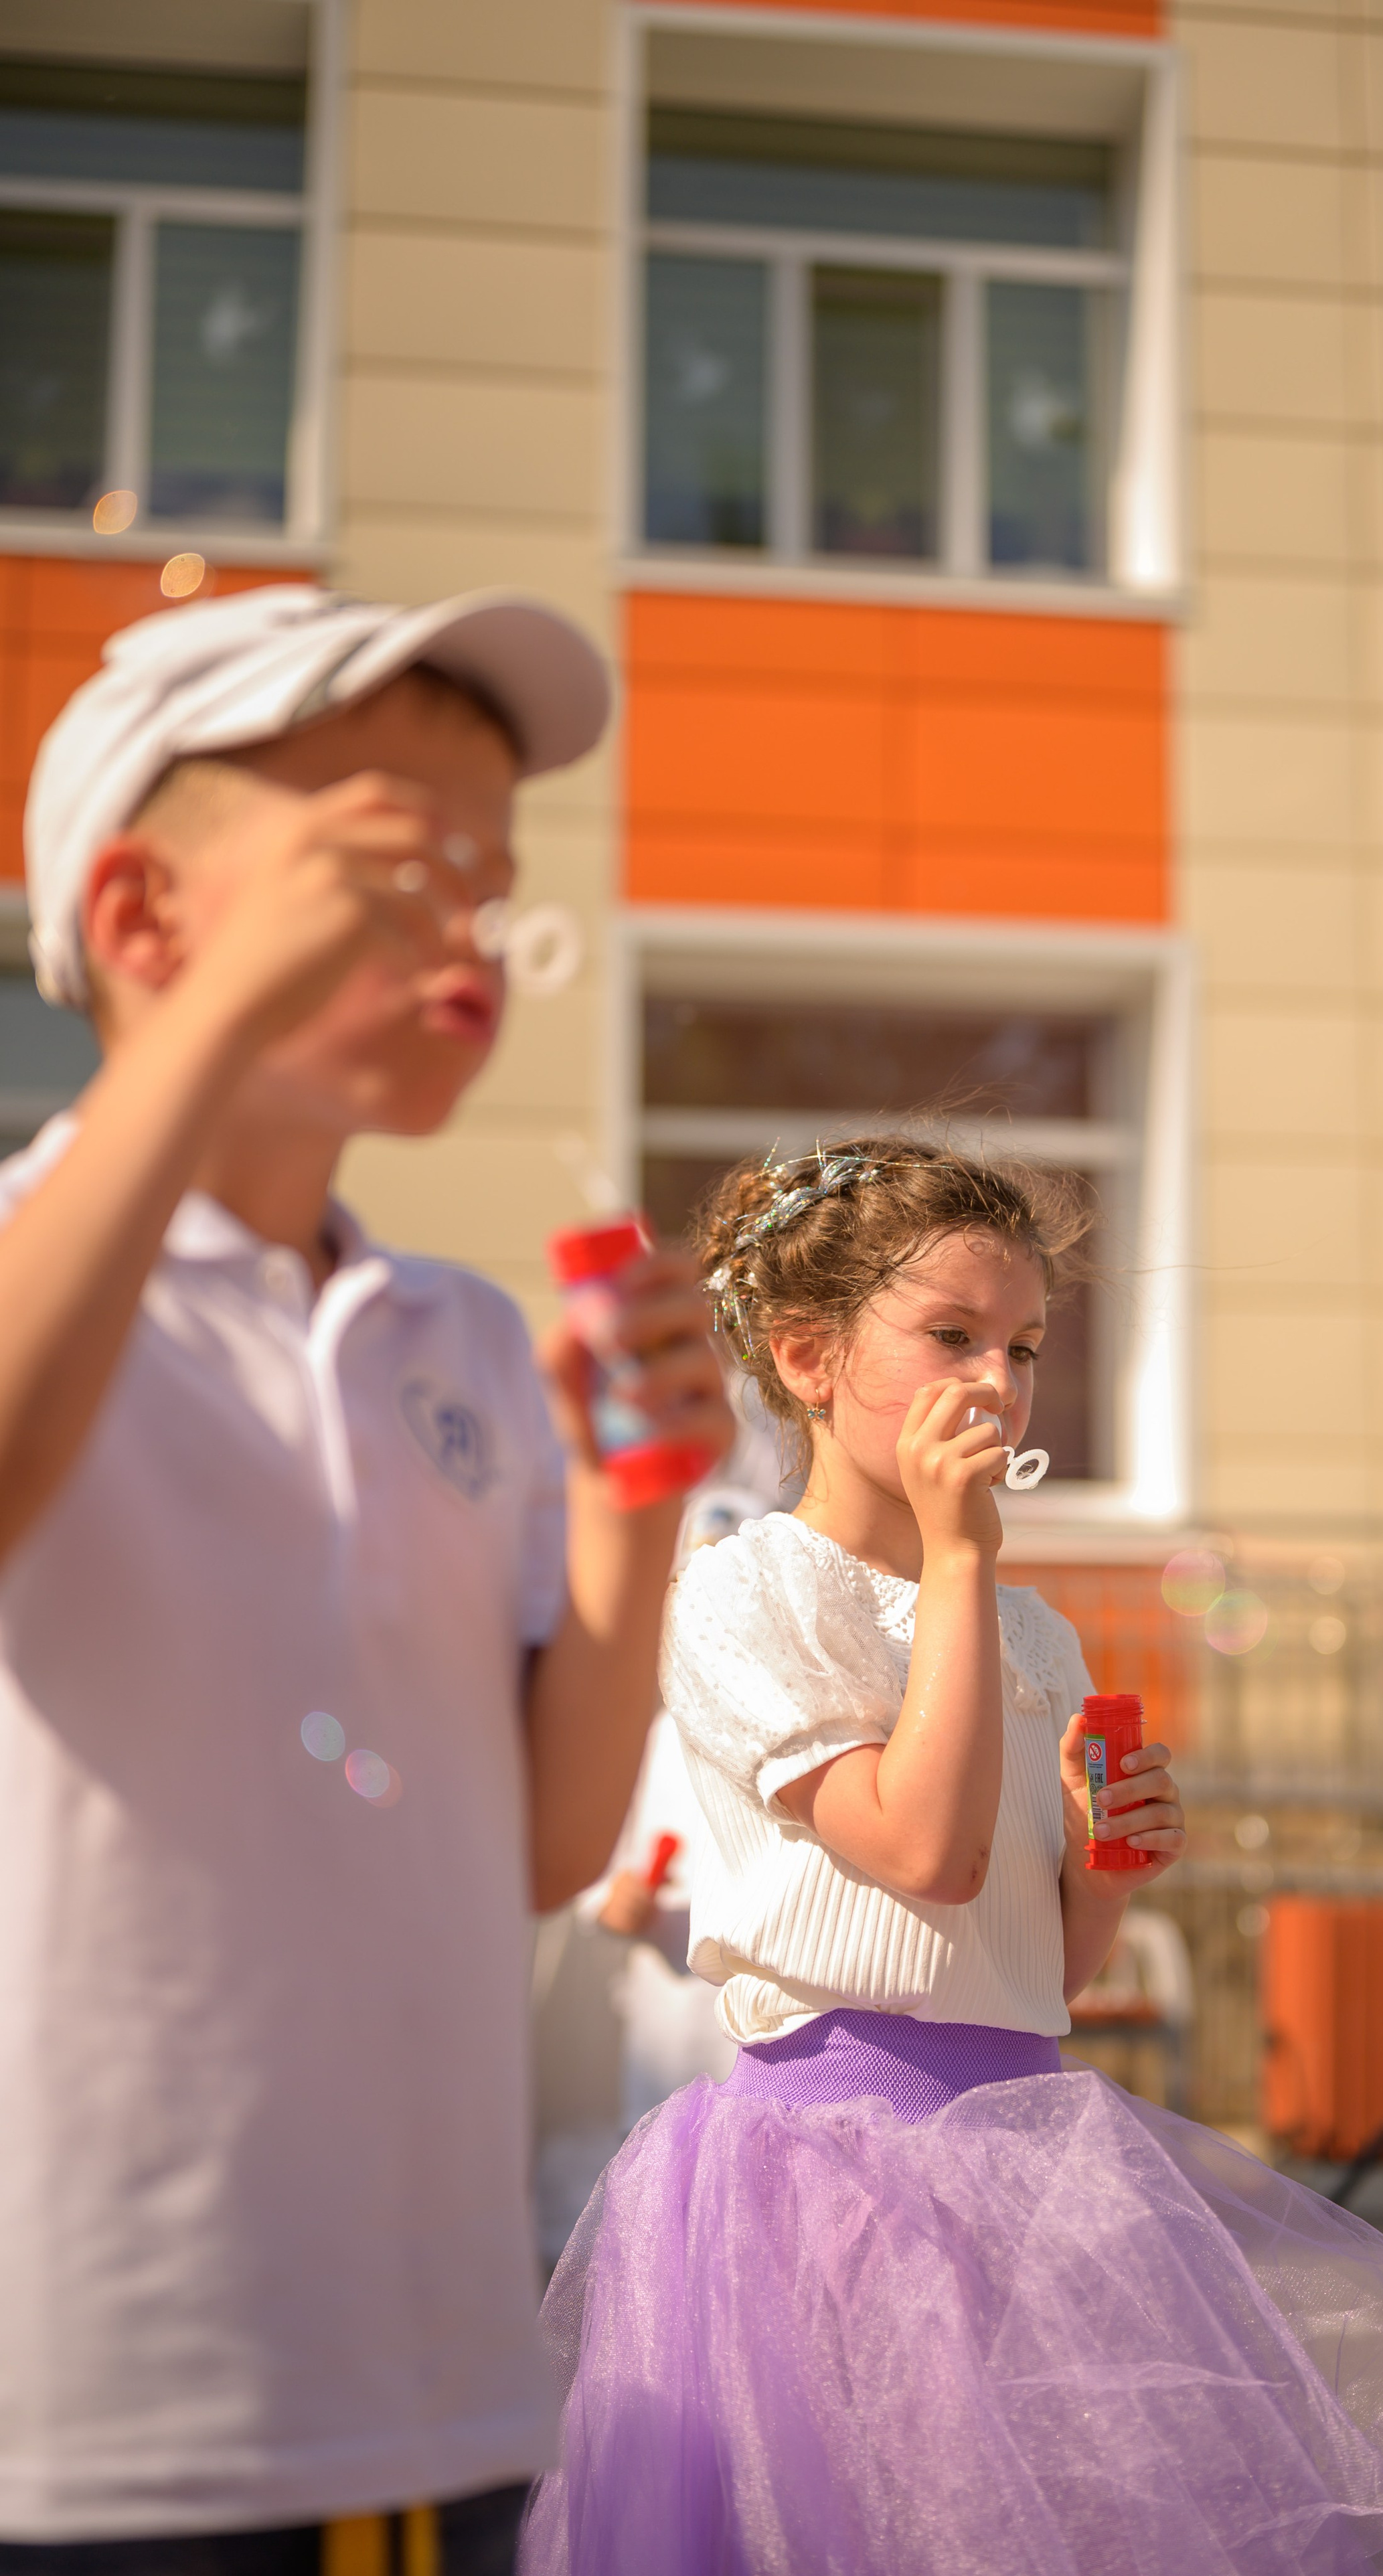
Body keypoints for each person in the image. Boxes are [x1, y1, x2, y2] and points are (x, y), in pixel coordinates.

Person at [521, 1140, 1383, 2576]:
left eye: (1023, 1345)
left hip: (1025, 2150)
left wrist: (1099, 1878)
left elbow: (1030, 1971)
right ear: (808, 1357)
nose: (995, 1380)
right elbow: (921, 1853)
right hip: (824, 2174)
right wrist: (955, 1562)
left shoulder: (1029, 1630)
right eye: (949, 1336)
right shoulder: (751, 1587)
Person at [0, 585, 732, 2574]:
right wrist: (220, 1022)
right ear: (144, 925)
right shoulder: (37, 1273)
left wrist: (623, 1512)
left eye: (490, 890)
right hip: (87, 2418)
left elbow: (540, 1839)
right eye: (395, 874)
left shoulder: (461, 1341)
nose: (468, 940)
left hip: (432, 2386)